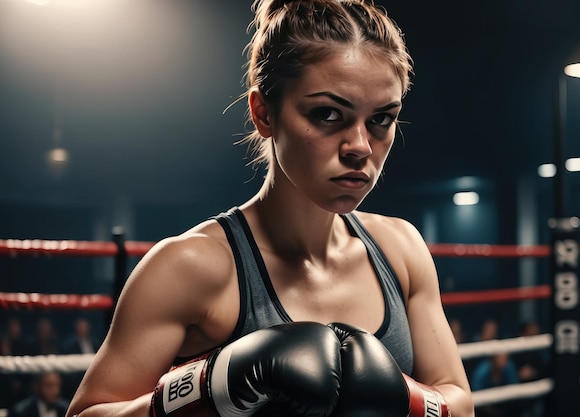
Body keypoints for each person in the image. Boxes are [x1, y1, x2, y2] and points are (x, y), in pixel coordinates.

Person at [67, 1, 474, 416]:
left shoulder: (399, 248)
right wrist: (210, 385)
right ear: (263, 113)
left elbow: (459, 403)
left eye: (381, 119)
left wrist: (402, 396)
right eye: (328, 114)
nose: (360, 147)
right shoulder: (192, 266)